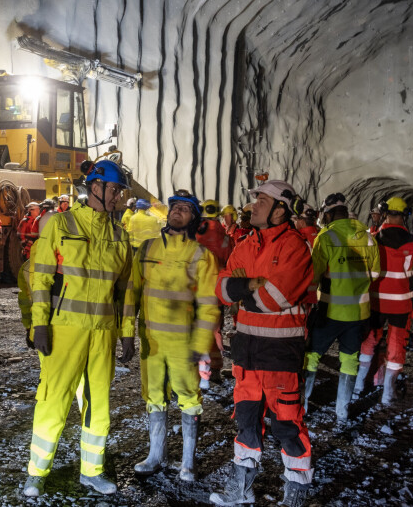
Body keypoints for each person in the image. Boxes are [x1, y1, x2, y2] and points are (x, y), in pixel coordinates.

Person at [23, 159, 133, 497]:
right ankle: (36, 472)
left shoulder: (119, 235)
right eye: (115, 190)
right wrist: (39, 323)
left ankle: (92, 470)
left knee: (98, 405)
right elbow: (39, 277)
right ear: (96, 188)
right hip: (64, 329)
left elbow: (126, 290)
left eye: (120, 192)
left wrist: (127, 332)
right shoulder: (60, 223)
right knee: (53, 401)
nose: (119, 198)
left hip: (103, 333)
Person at [210, 180, 314, 507]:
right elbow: (222, 289)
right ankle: (240, 489)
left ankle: (295, 493)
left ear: (281, 210)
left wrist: (246, 290)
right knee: (246, 420)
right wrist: (252, 286)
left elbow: (275, 298)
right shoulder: (245, 244)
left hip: (280, 352)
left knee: (287, 424)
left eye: (263, 201)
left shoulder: (295, 247)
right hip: (247, 349)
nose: (253, 206)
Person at [124, 190, 219, 482]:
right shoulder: (147, 249)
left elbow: (208, 305)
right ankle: (156, 455)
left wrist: (200, 344)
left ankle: (187, 462)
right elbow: (132, 292)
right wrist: (127, 333)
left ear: (194, 219)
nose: (177, 211)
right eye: (174, 207)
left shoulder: (202, 255)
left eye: (185, 209)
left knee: (189, 399)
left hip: (183, 344)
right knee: (154, 397)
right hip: (151, 342)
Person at [303, 193, 380, 420]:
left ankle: (303, 407)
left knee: (312, 356)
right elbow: (374, 273)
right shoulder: (367, 238)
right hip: (358, 313)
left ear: (328, 214)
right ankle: (342, 412)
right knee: (349, 358)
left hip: (330, 311)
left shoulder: (326, 237)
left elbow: (314, 275)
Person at [357, 197, 413, 404]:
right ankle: (388, 392)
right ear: (405, 216)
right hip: (400, 303)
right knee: (397, 343)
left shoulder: (372, 238)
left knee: (369, 339)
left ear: (384, 213)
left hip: (375, 301)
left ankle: (359, 384)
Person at [194, 198, 230, 389]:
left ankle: (197, 371)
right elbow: (230, 260)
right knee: (215, 330)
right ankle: (213, 370)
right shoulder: (224, 235)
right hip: (217, 289)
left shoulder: (196, 230)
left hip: (195, 287)